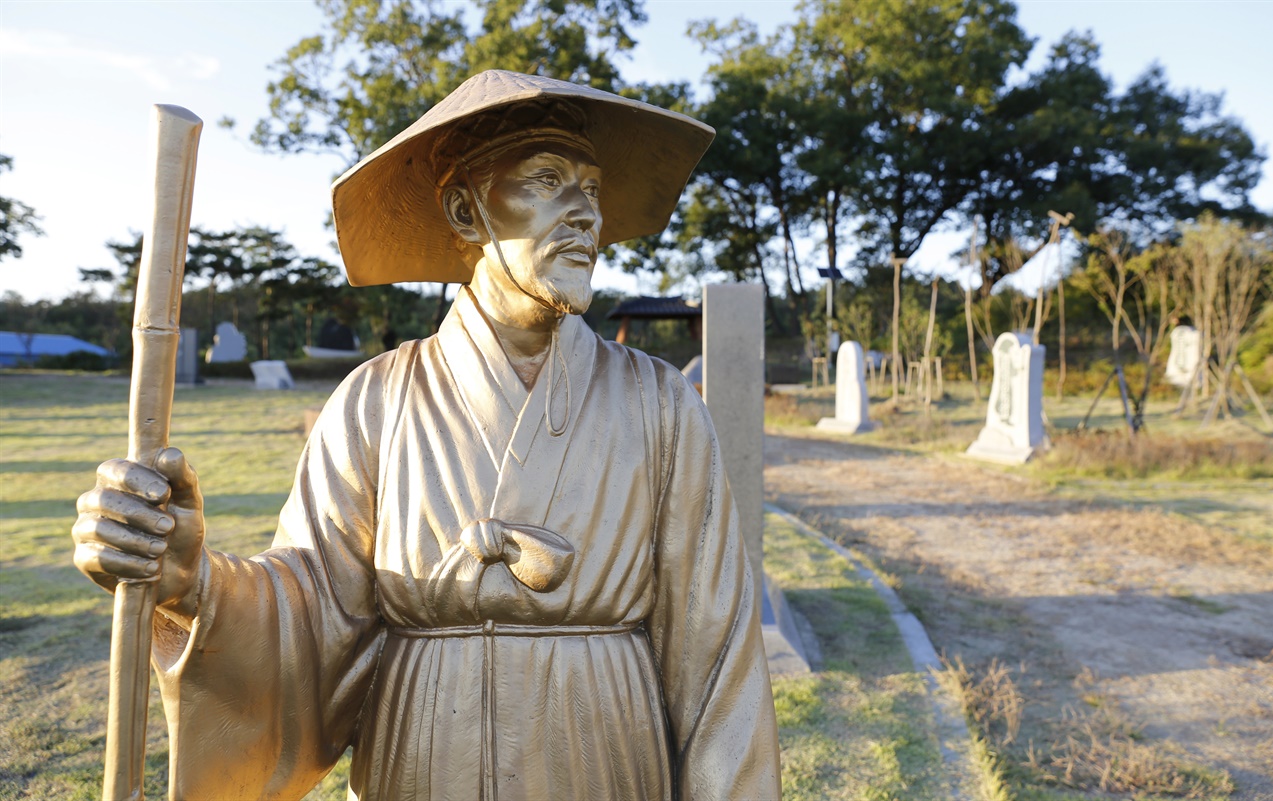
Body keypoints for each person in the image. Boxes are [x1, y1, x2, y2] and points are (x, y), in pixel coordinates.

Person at [72, 70, 780, 801]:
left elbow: (719, 661)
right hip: (423, 758)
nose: (583, 214)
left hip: (600, 755)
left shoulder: (660, 405)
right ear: (465, 209)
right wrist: (192, 581)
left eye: (592, 189)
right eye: (546, 179)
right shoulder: (375, 401)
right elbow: (313, 611)